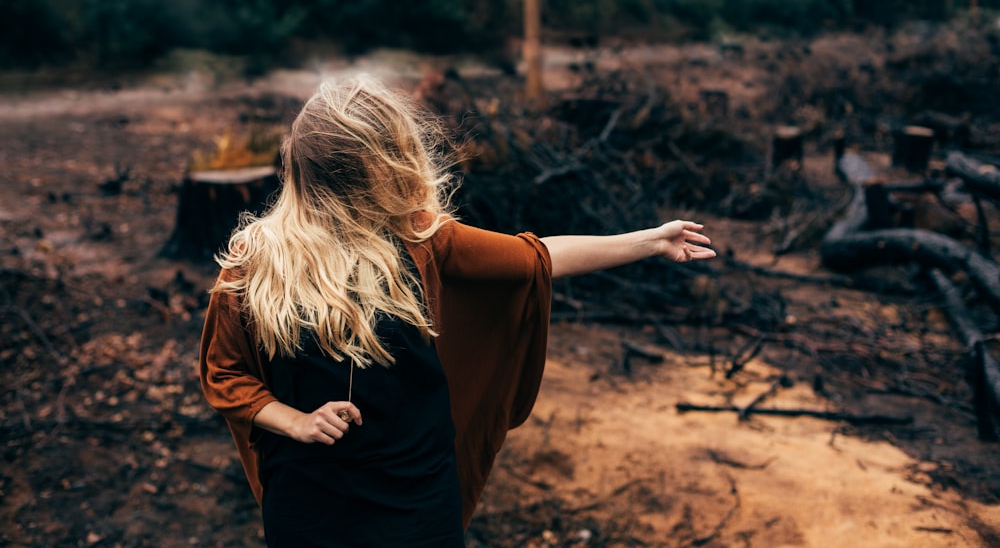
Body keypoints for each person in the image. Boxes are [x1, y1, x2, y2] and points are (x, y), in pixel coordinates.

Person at [199, 76, 716, 547]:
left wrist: (649, 241)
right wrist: (295, 422)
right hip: (309, 499)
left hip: (416, 493)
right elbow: (225, 371)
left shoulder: (420, 235)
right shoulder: (257, 259)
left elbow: (534, 256)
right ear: (358, 168)